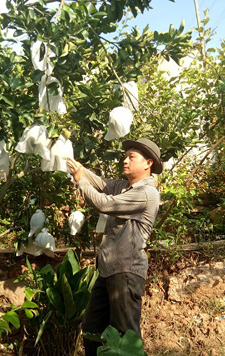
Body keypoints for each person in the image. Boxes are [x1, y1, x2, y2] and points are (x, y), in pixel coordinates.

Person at [66, 138, 162, 355]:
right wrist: (77, 168)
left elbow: (104, 203)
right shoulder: (124, 187)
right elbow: (100, 183)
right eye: (125, 156)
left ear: (148, 163)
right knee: (92, 329)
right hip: (109, 270)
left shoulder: (146, 193)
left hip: (126, 272)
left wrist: (81, 182)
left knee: (125, 336)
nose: (125, 160)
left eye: (131, 157)